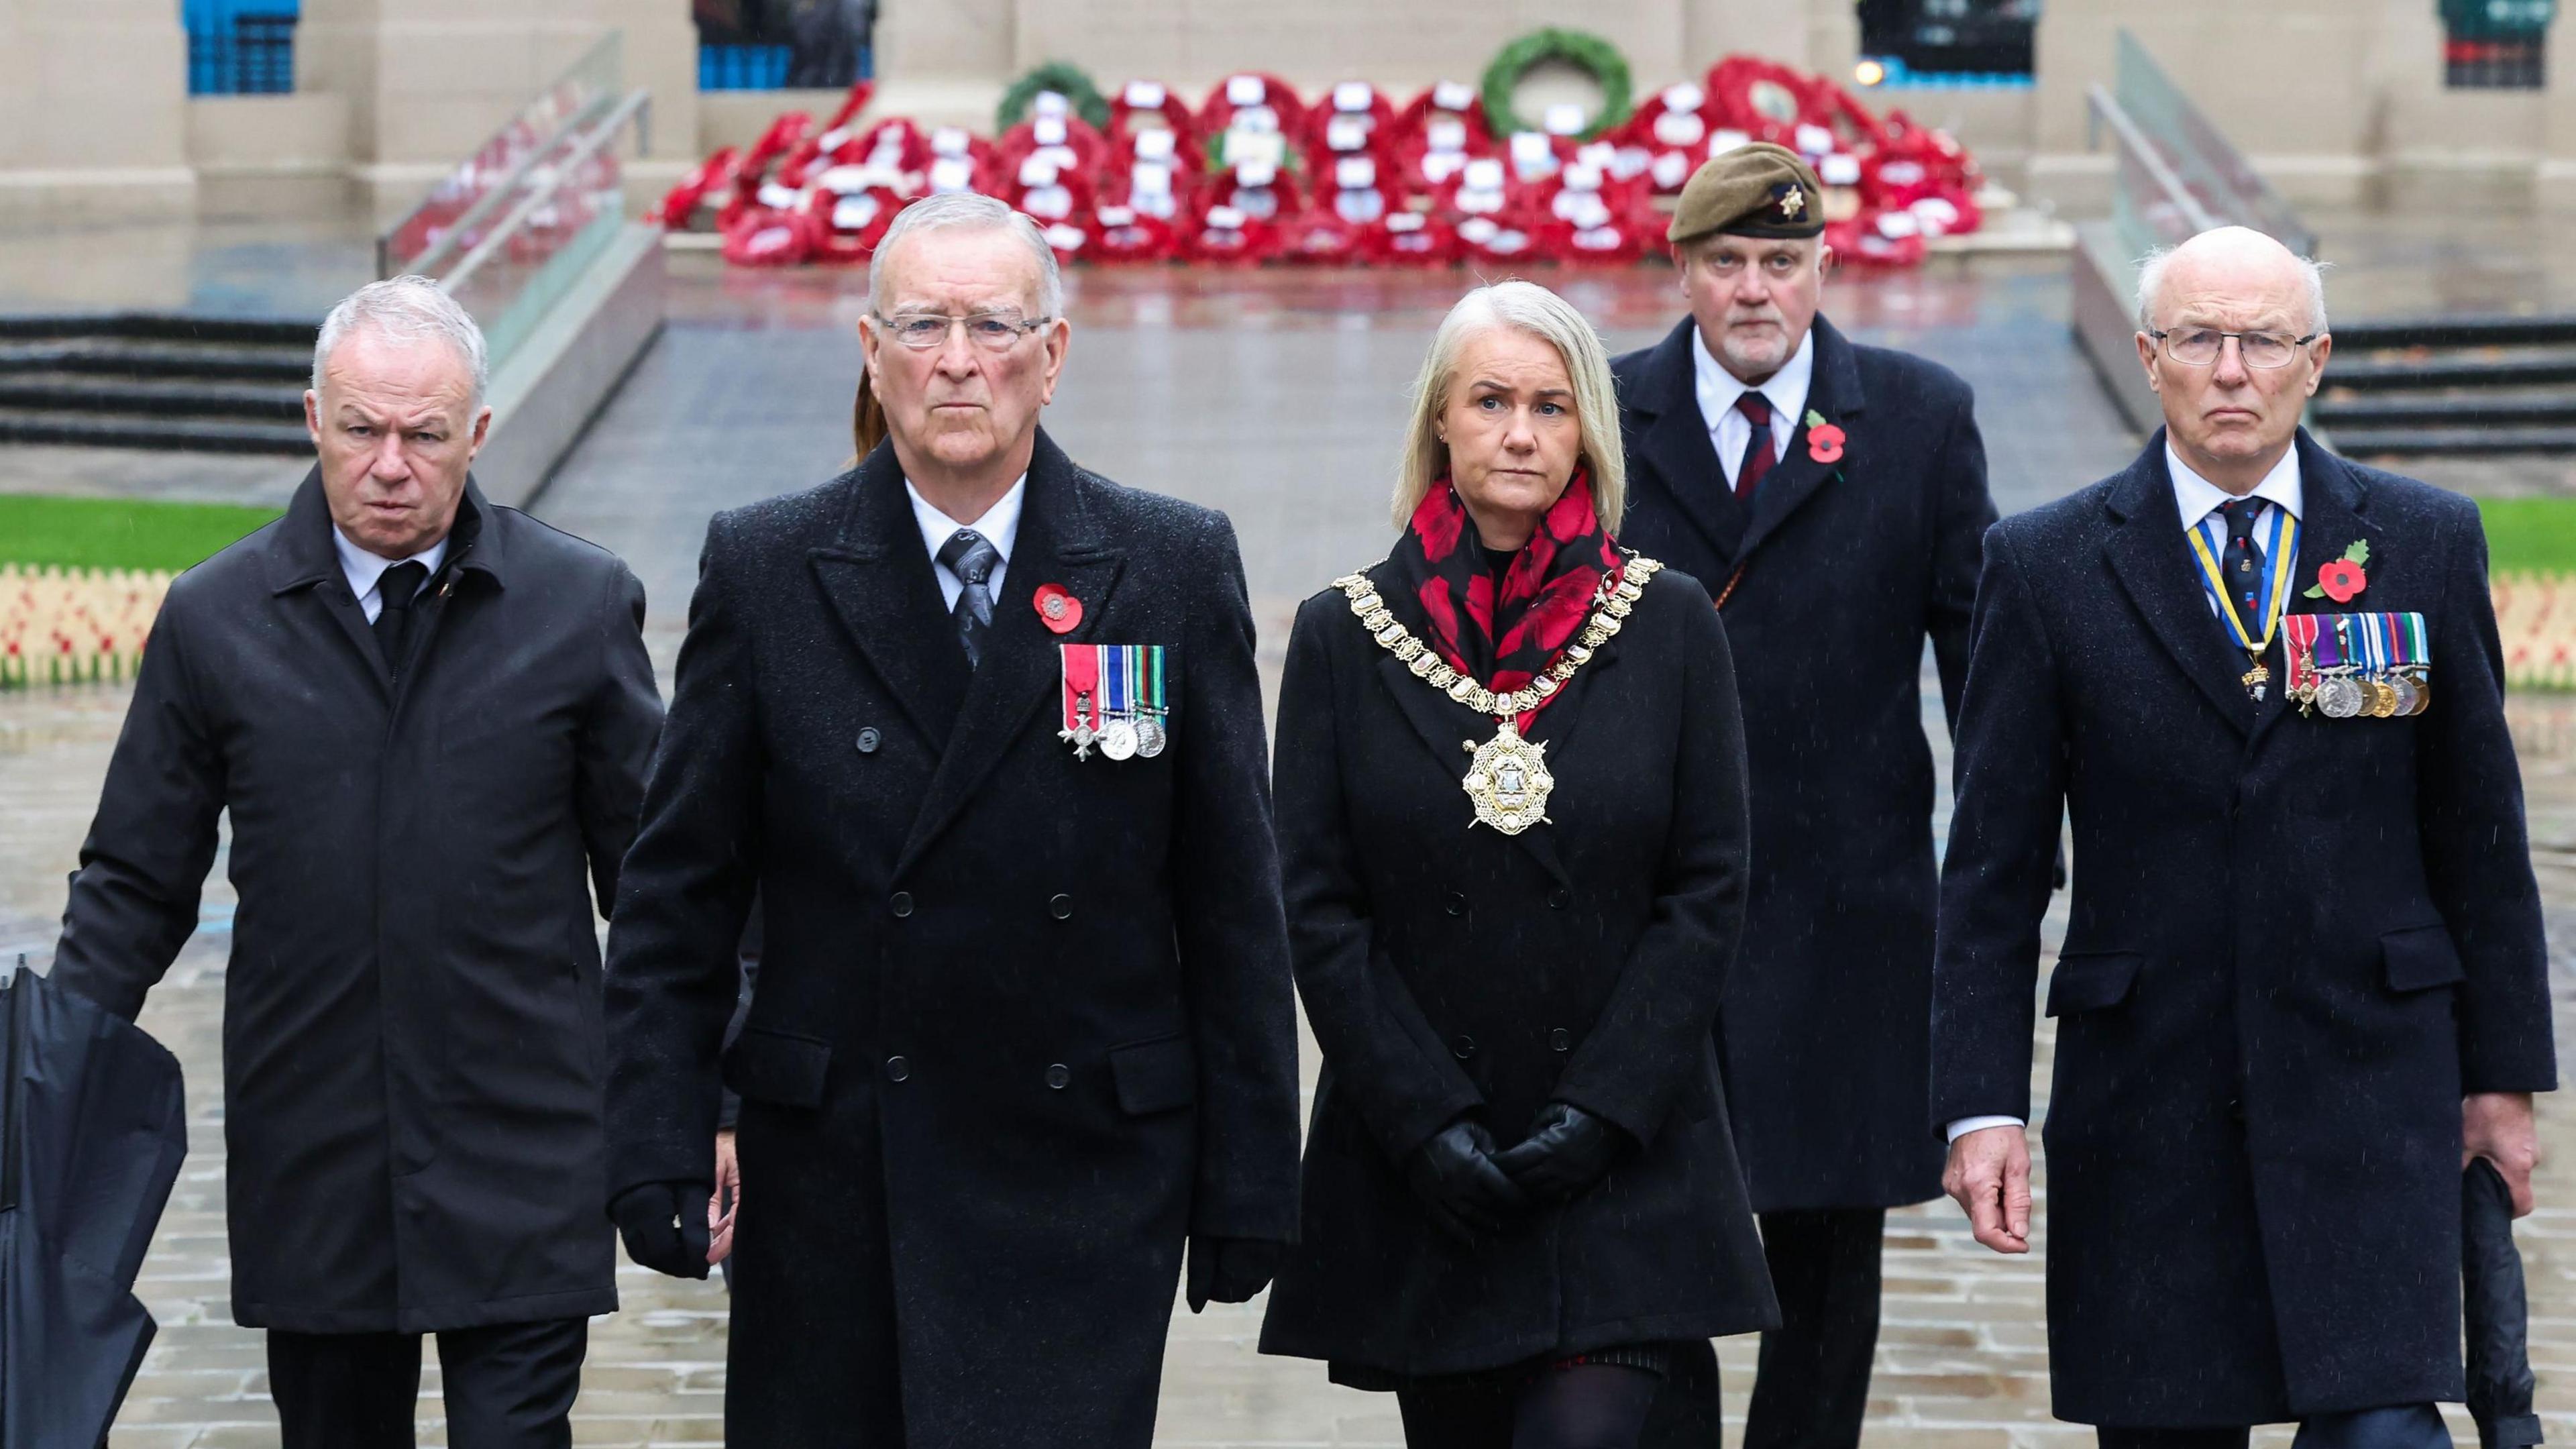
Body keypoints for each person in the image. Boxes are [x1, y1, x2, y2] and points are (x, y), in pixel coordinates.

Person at [600, 191, 1302, 1447]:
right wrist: (657, 1138)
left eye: (994, 325)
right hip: (840, 1184)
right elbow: (679, 894)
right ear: (872, 351)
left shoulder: (1170, 562)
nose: (959, 360)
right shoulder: (768, 567)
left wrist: (1252, 1176)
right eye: (923, 324)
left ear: (1055, 354)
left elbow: (1236, 900)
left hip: (1085, 1175)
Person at [1934, 225, 2554, 1447]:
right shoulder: (2047, 564)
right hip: (2150, 1109)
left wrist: (2502, 1079)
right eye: (2198, 339)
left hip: (2373, 1092)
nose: (2231, 369)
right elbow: (1995, 873)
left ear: (2314, 361)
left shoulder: (2422, 542)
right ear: (2150, 356)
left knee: (2387, 1433)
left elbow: (2481, 834)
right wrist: (1980, 1108)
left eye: (2263, 339)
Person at [49, 276, 661, 1448]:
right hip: (314, 1143)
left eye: (426, 436)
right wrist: (53, 1084)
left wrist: (701, 1098)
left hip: (525, 1139)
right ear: (312, 419)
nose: (392, 464)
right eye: (363, 429)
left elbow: (654, 884)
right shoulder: (215, 617)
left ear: (476, 435)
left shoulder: (577, 606)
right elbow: (134, 880)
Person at [1258, 280, 1777, 1449]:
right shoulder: (1345, 633)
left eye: (1551, 405)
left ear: (1588, 426)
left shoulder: (1671, 620)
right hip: (1432, 1163)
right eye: (1490, 401)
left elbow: (1708, 887)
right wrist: (1424, 1119)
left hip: (1623, 1155)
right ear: (1439, 420)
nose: (1520, 433)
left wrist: (1602, 1111)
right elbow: (1317, 904)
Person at [1610, 142, 1996, 1445]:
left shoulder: (1921, 419)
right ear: (1682, 270)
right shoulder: (1605, 419)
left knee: (1828, 1271)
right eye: (1727, 262)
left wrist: (1986, 889)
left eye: (1783, 262)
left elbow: (1980, 672)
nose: (1757, 291)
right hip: (1654, 915)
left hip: (1851, 920)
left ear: (1825, 266)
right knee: (1647, 1246)